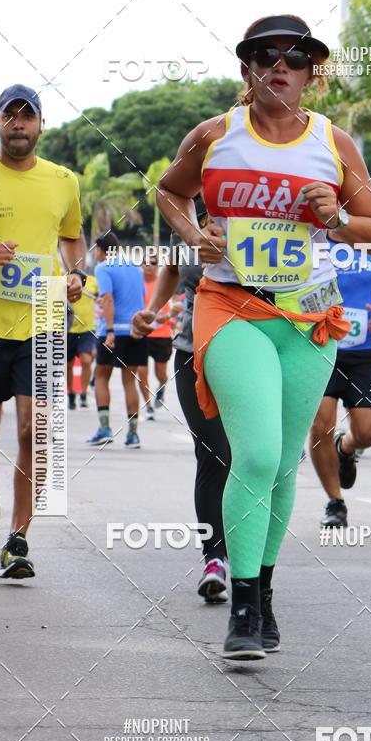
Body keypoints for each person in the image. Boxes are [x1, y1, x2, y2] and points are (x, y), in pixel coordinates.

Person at [156, 14, 371, 659]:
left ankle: (262, 595)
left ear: (312, 74)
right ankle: (241, 607)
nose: (279, 66)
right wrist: (192, 234)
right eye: (265, 56)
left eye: (294, 58)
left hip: (308, 318)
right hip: (231, 306)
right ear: (247, 70)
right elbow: (169, 192)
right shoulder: (214, 135)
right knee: (255, 455)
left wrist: (336, 218)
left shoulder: (333, 142)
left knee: (284, 461)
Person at [0, 84, 85, 578]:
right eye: (9, 115)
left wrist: (77, 275)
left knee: (37, 430)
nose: (18, 123)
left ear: (40, 125)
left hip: (45, 317)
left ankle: (18, 538)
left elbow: (72, 239)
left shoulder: (64, 181)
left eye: (27, 115)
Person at [132, 238, 231, 602]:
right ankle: (215, 559)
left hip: (257, 354)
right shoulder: (184, 223)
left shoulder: (257, 216)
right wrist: (152, 310)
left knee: (253, 459)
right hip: (193, 353)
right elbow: (173, 268)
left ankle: (254, 565)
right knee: (215, 454)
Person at [310, 246, 371, 528]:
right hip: (321, 349)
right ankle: (335, 502)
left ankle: (345, 447)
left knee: (367, 434)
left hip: (364, 355)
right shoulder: (316, 240)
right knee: (321, 426)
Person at [87, 233, 147, 448]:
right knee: (129, 381)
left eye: (95, 250)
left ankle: (105, 429)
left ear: (100, 250)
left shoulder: (103, 268)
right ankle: (133, 435)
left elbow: (109, 298)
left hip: (112, 331)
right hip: (135, 331)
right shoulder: (135, 268)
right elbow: (139, 297)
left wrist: (110, 330)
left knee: (101, 377)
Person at [137, 257, 177, 421]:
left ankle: (161, 387)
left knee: (161, 374)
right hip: (142, 334)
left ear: (158, 266)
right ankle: (148, 406)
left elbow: (177, 307)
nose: (148, 266)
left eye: (153, 263)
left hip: (162, 335)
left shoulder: (165, 282)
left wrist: (167, 316)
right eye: (145, 262)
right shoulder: (136, 283)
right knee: (141, 372)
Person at [67, 271, 98, 409]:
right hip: (68, 329)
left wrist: (101, 299)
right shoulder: (65, 279)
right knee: (68, 365)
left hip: (87, 329)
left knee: (86, 360)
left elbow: (103, 295)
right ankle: (71, 393)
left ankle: (84, 392)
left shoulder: (93, 281)